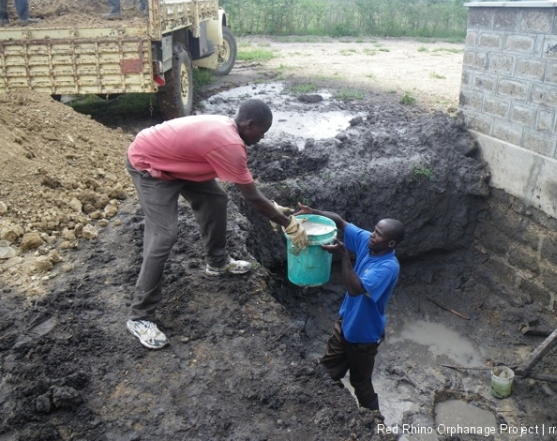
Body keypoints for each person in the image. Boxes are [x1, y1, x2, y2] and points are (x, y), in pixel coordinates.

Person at [125, 99, 308, 349]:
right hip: (150, 164)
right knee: (164, 234)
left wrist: (273, 209)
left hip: (177, 162)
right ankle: (139, 317)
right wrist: (289, 224)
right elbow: (252, 198)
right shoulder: (231, 144)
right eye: (262, 132)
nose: (262, 138)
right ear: (250, 125)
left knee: (215, 199)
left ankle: (217, 262)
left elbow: (251, 192)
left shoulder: (229, 129)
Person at [296, 202, 405, 412]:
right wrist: (314, 213)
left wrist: (344, 255)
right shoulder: (368, 242)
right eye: (374, 230)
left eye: (379, 234)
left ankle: (375, 423)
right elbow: (340, 222)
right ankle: (332, 406)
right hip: (344, 324)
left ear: (391, 243)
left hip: (364, 337)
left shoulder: (388, 267)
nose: (372, 235)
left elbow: (356, 288)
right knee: (326, 372)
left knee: (361, 383)